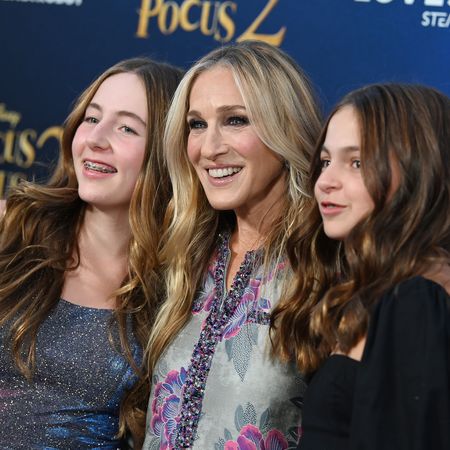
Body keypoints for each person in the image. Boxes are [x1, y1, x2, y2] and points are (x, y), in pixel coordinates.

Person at [142, 40, 322, 449]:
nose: (209, 148)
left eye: (236, 120)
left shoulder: (323, 263)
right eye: (197, 124)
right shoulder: (181, 257)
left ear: (286, 127)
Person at [0, 57, 182, 449]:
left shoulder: (180, 289)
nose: (96, 139)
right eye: (91, 118)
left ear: (168, 154)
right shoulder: (10, 229)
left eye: (127, 128)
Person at [272, 83, 450, 449]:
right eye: (325, 162)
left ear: (421, 172)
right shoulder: (387, 292)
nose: (325, 182)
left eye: (357, 163)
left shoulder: (418, 300)